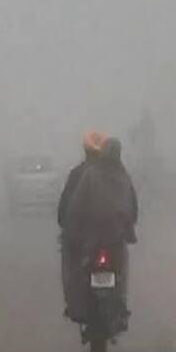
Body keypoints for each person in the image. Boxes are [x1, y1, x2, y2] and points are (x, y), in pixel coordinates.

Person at [64, 138, 138, 322]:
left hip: (94, 238)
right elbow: (133, 207)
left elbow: (76, 205)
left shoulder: (91, 174)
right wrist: (129, 228)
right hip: (113, 238)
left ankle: (83, 304)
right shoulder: (122, 175)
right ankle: (119, 301)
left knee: (80, 267)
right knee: (119, 269)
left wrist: (72, 229)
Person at [58, 131, 106, 313]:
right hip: (111, 237)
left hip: (82, 238)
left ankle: (74, 301)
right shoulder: (118, 173)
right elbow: (132, 206)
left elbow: (64, 208)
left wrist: (66, 225)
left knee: (70, 263)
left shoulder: (77, 174)